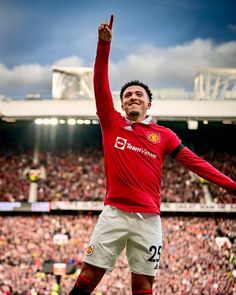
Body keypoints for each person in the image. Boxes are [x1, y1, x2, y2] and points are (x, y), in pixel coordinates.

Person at [69, 15, 236, 295]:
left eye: (139, 94)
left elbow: (197, 164)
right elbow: (99, 81)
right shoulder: (112, 123)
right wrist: (103, 45)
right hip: (114, 214)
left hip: (149, 219)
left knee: (143, 284)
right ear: (121, 104)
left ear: (148, 103)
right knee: (89, 275)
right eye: (127, 95)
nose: (132, 97)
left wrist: (233, 187)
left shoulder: (165, 136)